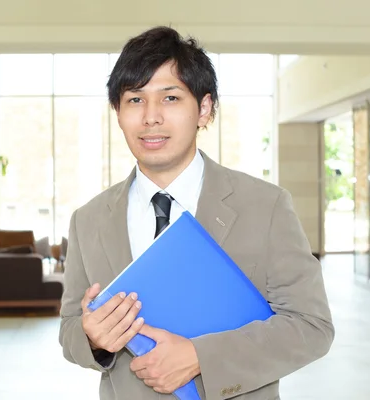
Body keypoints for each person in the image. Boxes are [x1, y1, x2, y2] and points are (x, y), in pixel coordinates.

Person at [58, 26, 334, 399]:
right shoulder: (89, 219)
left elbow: (311, 326)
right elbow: (70, 330)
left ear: (204, 109)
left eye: (170, 98)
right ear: (118, 112)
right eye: (135, 100)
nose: (151, 117)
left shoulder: (265, 206)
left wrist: (200, 356)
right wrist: (93, 340)